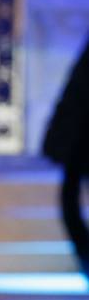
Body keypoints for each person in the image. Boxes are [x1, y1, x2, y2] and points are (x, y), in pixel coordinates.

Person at [42, 34, 89, 277]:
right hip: (79, 133)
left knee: (70, 193)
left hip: (78, 132)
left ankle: (85, 254)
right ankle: (85, 254)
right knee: (70, 193)